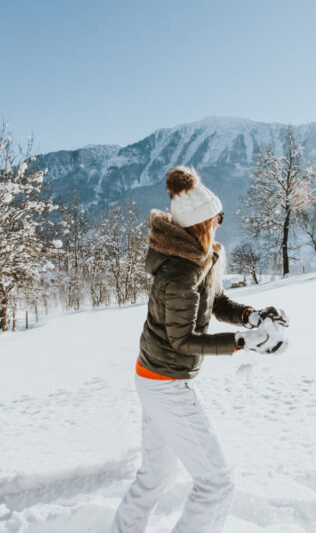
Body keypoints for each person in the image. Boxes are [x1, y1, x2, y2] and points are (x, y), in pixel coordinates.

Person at [110, 166, 289, 533]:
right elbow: (183, 340)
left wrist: (250, 317)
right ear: (201, 223)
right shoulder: (179, 273)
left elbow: (215, 300)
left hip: (154, 376)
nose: (221, 223)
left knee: (155, 475)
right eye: (216, 217)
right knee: (217, 483)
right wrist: (242, 344)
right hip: (166, 382)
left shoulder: (198, 258)